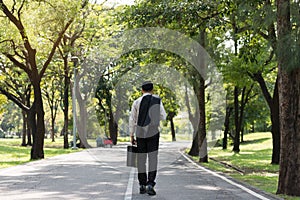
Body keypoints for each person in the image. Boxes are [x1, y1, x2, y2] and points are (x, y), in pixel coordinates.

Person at [129, 81, 166, 196]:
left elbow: (132, 119)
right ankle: (150, 183)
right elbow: (163, 116)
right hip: (153, 132)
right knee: (153, 158)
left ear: (142, 90)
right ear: (152, 90)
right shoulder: (157, 101)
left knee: (141, 159)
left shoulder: (136, 102)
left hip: (140, 132)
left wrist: (131, 135)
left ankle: (142, 184)